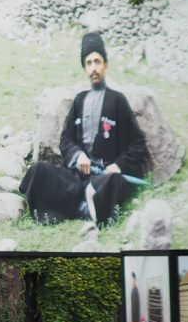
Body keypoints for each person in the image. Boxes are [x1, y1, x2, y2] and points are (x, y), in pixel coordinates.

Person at [19, 32, 148, 226]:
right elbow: (66, 139)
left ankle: (81, 204)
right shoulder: (79, 100)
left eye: (97, 61)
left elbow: (137, 144)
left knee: (110, 184)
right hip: (78, 177)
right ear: (84, 68)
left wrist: (118, 165)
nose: (93, 68)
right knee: (40, 170)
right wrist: (78, 156)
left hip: (105, 176)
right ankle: (86, 205)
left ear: (106, 65)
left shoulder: (118, 100)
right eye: (88, 63)